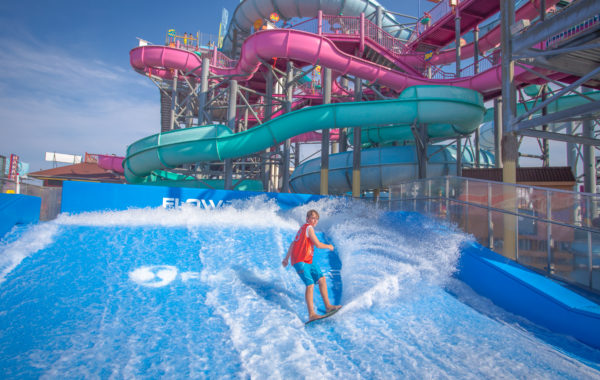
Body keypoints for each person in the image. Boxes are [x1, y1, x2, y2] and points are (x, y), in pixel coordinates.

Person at [282, 209, 341, 321]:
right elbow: (318, 244)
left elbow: (293, 243)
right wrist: (329, 246)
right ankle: (312, 315)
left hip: (308, 261)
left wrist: (286, 258)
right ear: (307, 219)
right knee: (310, 285)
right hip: (300, 261)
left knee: (322, 279)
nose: (314, 220)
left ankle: (328, 306)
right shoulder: (308, 228)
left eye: (316, 219)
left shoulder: (302, 229)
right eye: (312, 218)